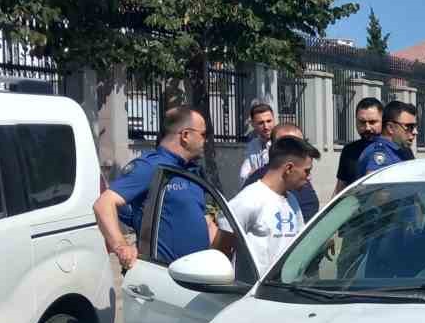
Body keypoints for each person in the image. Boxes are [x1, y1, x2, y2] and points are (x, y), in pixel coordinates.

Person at [93, 106, 217, 269]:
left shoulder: (192, 171)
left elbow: (205, 221)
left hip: (199, 275)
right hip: (165, 277)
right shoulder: (150, 166)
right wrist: (122, 246)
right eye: (203, 134)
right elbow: (103, 204)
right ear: (186, 135)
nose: (206, 140)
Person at [226, 135, 320, 273]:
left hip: (282, 291)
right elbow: (221, 250)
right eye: (307, 171)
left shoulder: (292, 200)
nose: (309, 177)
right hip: (252, 292)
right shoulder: (248, 199)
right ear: (289, 168)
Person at [242, 122, 320, 220]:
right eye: (292, 144)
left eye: (301, 143)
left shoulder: (291, 198)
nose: (301, 149)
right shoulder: (250, 195)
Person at [355, 99, 420, 176]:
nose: (415, 132)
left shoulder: (404, 151)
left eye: (415, 126)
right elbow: (376, 186)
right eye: (409, 126)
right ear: (390, 128)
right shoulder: (379, 153)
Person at [334, 97, 382, 194]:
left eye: (372, 122)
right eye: (362, 122)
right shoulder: (349, 151)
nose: (367, 128)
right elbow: (340, 190)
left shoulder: (398, 150)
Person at [237, 101, 275, 182]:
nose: (266, 127)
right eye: (261, 123)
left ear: (274, 120)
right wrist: (251, 176)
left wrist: (255, 174)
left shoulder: (283, 142)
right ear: (253, 124)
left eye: (269, 121)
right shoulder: (252, 145)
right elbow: (243, 176)